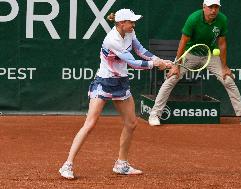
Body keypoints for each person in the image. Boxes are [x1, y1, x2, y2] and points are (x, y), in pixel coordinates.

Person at [59, 8, 171, 179]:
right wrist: (155, 64)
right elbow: (133, 63)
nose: (133, 24)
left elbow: (140, 50)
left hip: (121, 83)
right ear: (120, 23)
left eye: (134, 22)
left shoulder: (130, 33)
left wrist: (158, 59)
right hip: (104, 82)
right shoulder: (112, 40)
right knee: (90, 124)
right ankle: (67, 164)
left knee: (131, 123)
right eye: (130, 22)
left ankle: (121, 164)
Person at [148, 0, 241, 127]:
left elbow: (222, 43)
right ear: (204, 7)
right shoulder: (193, 19)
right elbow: (183, 42)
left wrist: (224, 66)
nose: (213, 10)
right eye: (210, 7)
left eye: (216, 7)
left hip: (209, 55)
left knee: (228, 80)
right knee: (171, 78)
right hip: (190, 54)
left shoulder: (222, 20)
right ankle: (155, 113)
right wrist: (176, 64)